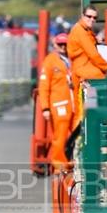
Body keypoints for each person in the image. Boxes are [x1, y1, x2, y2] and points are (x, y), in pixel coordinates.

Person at [67, 5, 107, 129]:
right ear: (82, 16)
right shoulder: (81, 31)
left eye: (94, 17)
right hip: (84, 75)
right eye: (89, 16)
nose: (92, 19)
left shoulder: (84, 30)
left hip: (84, 73)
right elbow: (93, 54)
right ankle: (79, 141)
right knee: (82, 113)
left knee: (83, 111)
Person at [38, 33, 75, 174]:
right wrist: (45, 108)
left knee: (78, 134)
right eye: (60, 44)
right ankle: (59, 164)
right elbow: (43, 86)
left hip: (73, 104)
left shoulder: (72, 59)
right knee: (60, 135)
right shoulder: (50, 61)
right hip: (59, 105)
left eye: (66, 44)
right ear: (55, 45)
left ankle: (72, 161)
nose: (63, 47)